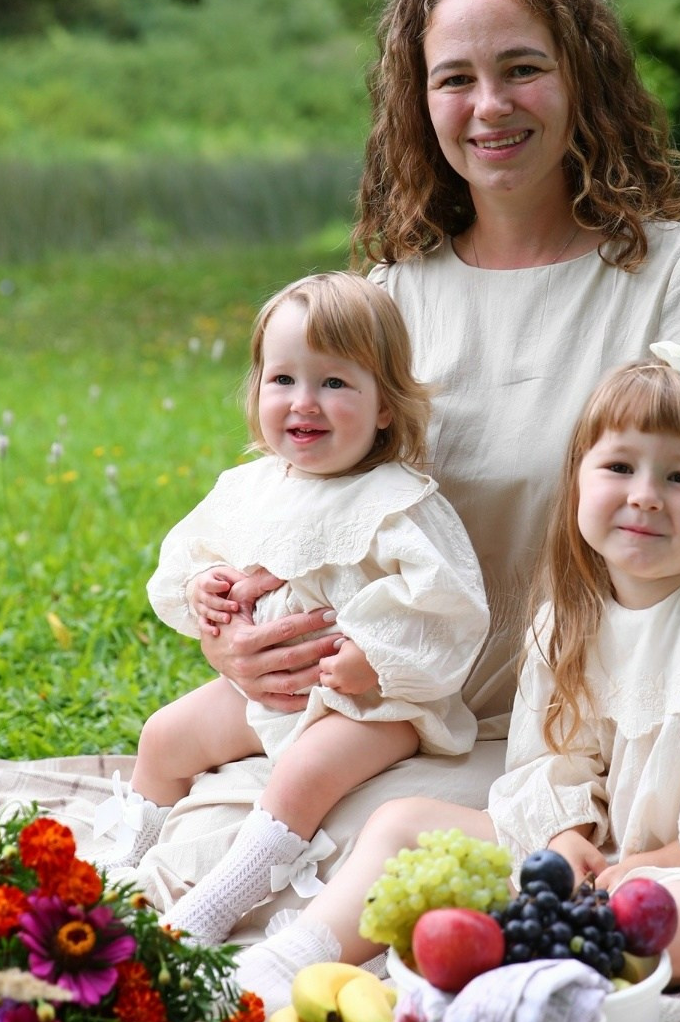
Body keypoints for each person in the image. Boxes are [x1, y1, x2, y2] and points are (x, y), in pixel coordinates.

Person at [186, 0, 680, 919]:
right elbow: (306, 510)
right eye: (455, 79)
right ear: (419, 103)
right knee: (286, 829)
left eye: (521, 70)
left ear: (581, 80)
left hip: (599, 731)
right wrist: (235, 641)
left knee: (392, 859)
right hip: (413, 711)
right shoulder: (392, 294)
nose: (490, 106)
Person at [235, 345, 680, 1004]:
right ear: (577, 483)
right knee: (402, 824)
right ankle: (291, 959)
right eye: (619, 468)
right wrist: (566, 834)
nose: (645, 496)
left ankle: (500, 978)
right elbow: (555, 757)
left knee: (649, 919)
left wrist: (653, 864)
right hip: (608, 854)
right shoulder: (569, 619)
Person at [98, 272, 489, 944]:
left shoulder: (398, 503)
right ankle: (119, 861)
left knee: (306, 773)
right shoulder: (249, 489)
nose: (304, 402)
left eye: (334, 383)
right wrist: (203, 588)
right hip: (266, 693)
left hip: (373, 707)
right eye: (283, 379)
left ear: (385, 405)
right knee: (164, 735)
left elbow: (445, 607)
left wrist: (373, 658)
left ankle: (221, 899)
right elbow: (190, 555)